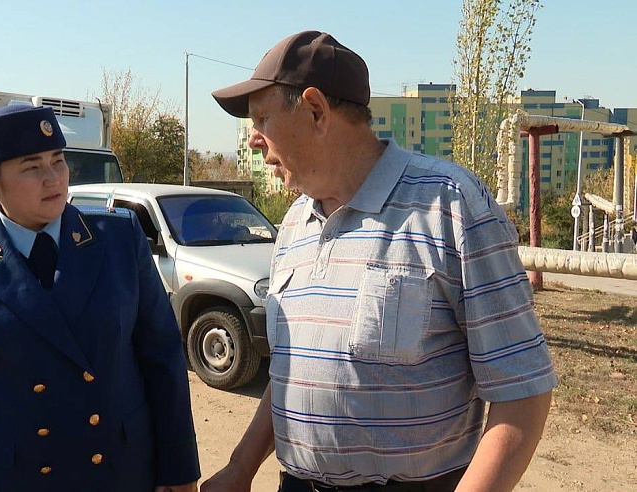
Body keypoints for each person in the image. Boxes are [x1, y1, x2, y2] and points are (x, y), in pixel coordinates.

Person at [202, 31, 557, 492]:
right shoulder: (294, 223)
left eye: (262, 119)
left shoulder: (450, 206)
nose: (254, 140)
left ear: (315, 110)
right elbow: (295, 371)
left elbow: (523, 391)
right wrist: (241, 466)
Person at [0, 104, 201, 492]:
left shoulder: (118, 239)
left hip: (119, 472)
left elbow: (162, 357)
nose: (53, 178)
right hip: (13, 479)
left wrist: (179, 469)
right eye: (32, 167)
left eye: (58, 161)